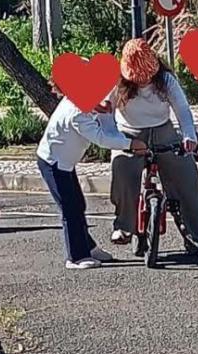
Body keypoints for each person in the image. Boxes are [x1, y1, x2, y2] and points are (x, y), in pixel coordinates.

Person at [108, 38, 198, 257]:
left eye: (146, 75)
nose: (142, 81)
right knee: (122, 170)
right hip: (129, 132)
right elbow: (105, 112)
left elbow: (182, 110)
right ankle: (124, 226)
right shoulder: (117, 83)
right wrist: (119, 141)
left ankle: (197, 236)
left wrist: (188, 136)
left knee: (186, 177)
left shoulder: (166, 80)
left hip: (162, 129)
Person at [37, 95, 149, 270]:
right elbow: (100, 138)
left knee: (78, 204)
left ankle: (88, 247)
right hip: (53, 162)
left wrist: (98, 106)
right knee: (69, 208)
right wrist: (130, 143)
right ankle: (76, 257)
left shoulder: (79, 101)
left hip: (65, 162)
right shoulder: (77, 114)